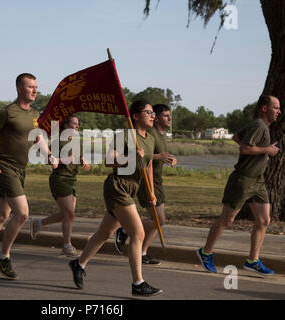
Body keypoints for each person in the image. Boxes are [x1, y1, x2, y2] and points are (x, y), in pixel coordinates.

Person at [68, 99, 163, 297]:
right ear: (135, 116)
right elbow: (108, 161)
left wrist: (151, 193)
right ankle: (138, 283)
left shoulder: (150, 139)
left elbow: (148, 167)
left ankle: (79, 263)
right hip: (117, 187)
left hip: (132, 189)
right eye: (149, 112)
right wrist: (130, 157)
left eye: (154, 113)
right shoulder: (125, 136)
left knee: (104, 233)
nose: (153, 116)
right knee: (137, 233)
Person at [0, 73, 57, 278]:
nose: (35, 90)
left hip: (20, 169)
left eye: (36, 86)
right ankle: (3, 256)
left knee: (1, 215)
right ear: (19, 88)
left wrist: (50, 155)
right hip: (5, 168)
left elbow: (38, 138)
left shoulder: (34, 114)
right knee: (23, 214)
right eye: (30, 87)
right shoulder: (7, 112)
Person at [197, 94, 281, 276]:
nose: (279, 111)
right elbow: (244, 148)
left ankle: (253, 260)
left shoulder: (258, 126)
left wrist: (260, 154)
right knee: (227, 219)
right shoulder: (259, 125)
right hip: (243, 180)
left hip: (257, 181)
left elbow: (237, 137)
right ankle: (205, 252)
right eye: (275, 107)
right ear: (264, 108)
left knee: (264, 220)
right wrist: (266, 150)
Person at [115, 104, 177, 265]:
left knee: (157, 220)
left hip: (156, 179)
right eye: (165, 115)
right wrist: (158, 157)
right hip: (145, 180)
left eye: (169, 115)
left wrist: (170, 158)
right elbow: (147, 156)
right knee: (159, 219)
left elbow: (151, 156)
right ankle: (125, 230)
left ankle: (142, 252)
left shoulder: (158, 136)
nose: (169, 118)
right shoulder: (149, 134)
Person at [30, 115, 90, 257]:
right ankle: (67, 245)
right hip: (60, 179)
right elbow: (48, 160)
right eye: (74, 124)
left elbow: (79, 157)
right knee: (69, 213)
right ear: (65, 125)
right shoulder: (58, 142)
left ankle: (38, 224)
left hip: (72, 179)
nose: (76, 127)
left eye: (78, 124)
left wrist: (83, 161)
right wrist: (65, 160)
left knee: (67, 214)